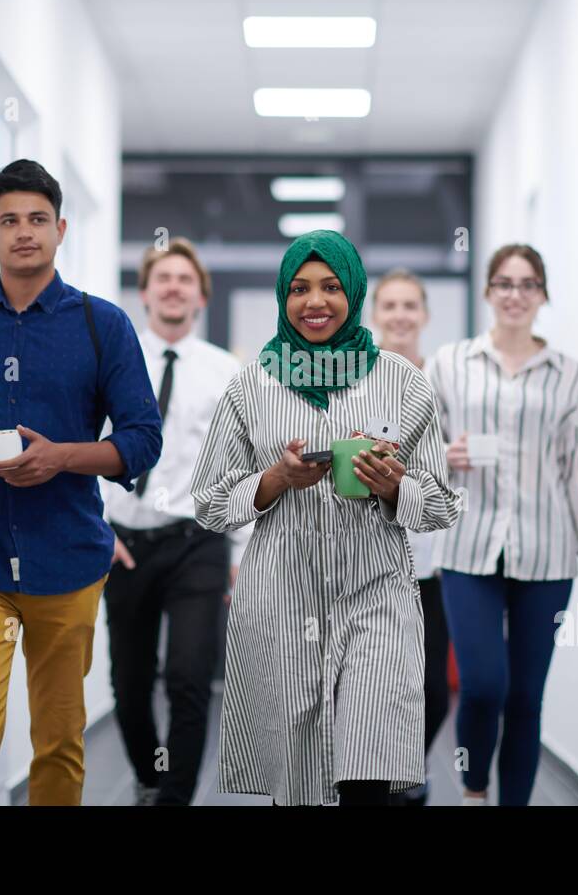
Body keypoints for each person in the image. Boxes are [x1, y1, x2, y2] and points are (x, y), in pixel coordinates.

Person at [0, 159, 162, 806]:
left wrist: (63, 457)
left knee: (60, 740)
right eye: (8, 220)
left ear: (61, 229)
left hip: (67, 562)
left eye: (37, 219)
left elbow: (142, 439)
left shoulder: (104, 326)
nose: (24, 232)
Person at [190, 230, 462, 806]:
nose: (315, 301)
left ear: (354, 291)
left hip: (375, 593)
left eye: (331, 287)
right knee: (300, 781)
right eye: (299, 289)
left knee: (367, 764)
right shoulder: (251, 385)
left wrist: (393, 488)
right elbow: (210, 501)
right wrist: (277, 479)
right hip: (281, 597)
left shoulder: (403, 383)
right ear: (283, 298)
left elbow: (440, 503)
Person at [427, 243, 578, 806]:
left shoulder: (567, 375)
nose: (514, 294)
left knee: (526, 698)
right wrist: (443, 456)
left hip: (548, 553)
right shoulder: (449, 364)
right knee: (483, 686)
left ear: (542, 295)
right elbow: (415, 447)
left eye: (527, 284)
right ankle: (475, 790)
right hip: (468, 548)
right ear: (487, 291)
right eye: (504, 283)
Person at [100, 236, 251, 806]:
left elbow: (244, 465)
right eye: (162, 277)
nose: (173, 287)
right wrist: (98, 529)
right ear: (143, 293)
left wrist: (240, 551)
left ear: (200, 295)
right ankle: (148, 777)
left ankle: (176, 800)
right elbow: (84, 448)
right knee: (130, 685)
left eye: (184, 279)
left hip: (199, 541)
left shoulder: (226, 373)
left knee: (190, 678)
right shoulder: (111, 362)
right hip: (125, 543)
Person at [370, 269, 450, 807]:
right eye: (390, 305)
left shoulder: (447, 384)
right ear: (375, 315)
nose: (400, 315)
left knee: (433, 694)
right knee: (369, 690)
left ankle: (407, 769)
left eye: (410, 306)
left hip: (433, 563)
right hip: (368, 562)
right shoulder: (356, 381)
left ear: (424, 315)